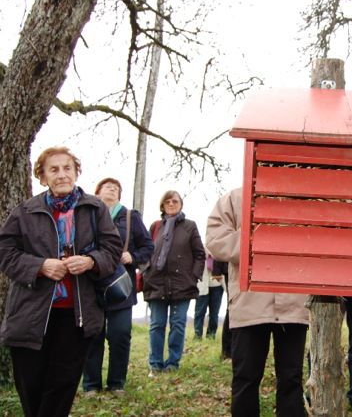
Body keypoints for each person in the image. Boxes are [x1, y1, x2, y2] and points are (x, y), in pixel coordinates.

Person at [0, 147, 122, 417]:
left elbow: (113, 249)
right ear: (42, 177)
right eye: (53, 170)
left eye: (67, 168)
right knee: (31, 385)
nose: (62, 175)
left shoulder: (95, 208)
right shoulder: (25, 211)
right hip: (30, 315)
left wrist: (90, 261)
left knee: (61, 387)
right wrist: (40, 266)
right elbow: (5, 252)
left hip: (76, 316)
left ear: (76, 172)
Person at [206, 188, 309, 417]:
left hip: (293, 302)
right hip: (249, 301)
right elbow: (215, 238)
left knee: (291, 378)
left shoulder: (300, 192)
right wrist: (258, 241)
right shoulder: (235, 198)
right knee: (245, 376)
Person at [82, 177, 154, 395]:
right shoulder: (87, 215)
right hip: (91, 284)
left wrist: (132, 256)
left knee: (120, 334)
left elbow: (148, 246)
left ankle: (116, 384)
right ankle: (91, 385)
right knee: (92, 335)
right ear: (97, 192)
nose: (112, 189)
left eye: (116, 188)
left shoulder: (130, 217)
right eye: (107, 186)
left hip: (121, 285)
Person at [143, 190, 205, 374]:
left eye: (175, 201)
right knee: (156, 325)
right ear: (162, 205)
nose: (171, 204)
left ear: (181, 204)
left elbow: (200, 254)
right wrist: (146, 270)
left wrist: (194, 275)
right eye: (167, 201)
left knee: (178, 324)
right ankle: (155, 363)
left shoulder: (190, 226)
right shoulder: (155, 227)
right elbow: (145, 250)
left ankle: (172, 363)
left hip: (182, 283)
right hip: (156, 282)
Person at [193, 252, 224, 339]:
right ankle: (197, 335)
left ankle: (211, 335)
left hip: (217, 285)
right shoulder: (201, 250)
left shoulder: (219, 250)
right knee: (199, 312)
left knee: (214, 314)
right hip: (202, 286)